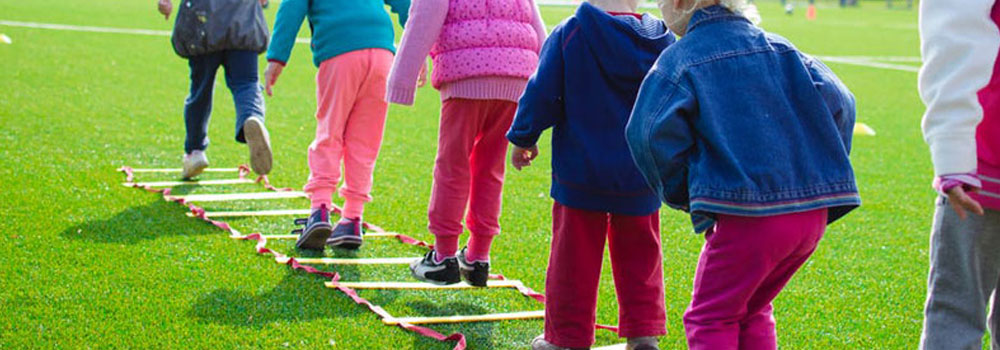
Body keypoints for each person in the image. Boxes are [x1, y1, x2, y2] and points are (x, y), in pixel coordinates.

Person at [627, 0, 859, 349]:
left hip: (748, 218)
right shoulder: (782, 47)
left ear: (680, 3)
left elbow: (645, 134)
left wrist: (683, 193)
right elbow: (842, 100)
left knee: (712, 316)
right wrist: (818, 170)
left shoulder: (680, 58)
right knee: (753, 307)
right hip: (811, 216)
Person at [504, 0, 673, 348]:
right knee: (642, 256)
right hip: (641, 172)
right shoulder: (664, 41)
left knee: (572, 260)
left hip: (580, 172)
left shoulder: (571, 33)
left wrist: (524, 136)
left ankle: (566, 338)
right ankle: (644, 334)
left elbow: (542, 93)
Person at [386, 0, 546, 286]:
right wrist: (544, 93)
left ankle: (444, 256)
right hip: (515, 81)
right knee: (491, 169)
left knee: (452, 165)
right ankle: (478, 257)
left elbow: (422, 20)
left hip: (464, 77)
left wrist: (401, 81)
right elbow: (536, 27)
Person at [263, 0, 410, 251]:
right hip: (383, 50)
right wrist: (415, 53)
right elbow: (407, 4)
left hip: (340, 50)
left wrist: (277, 58)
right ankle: (352, 219)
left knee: (330, 132)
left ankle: (319, 210)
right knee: (365, 141)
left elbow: (291, 8)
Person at [917, 0, 1000, 349]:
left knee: (955, 314)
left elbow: (952, 33)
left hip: (983, 159)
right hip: (981, 165)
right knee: (957, 311)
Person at [158, 0, 273, 179]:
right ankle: (252, 118)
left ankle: (195, 151)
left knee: (200, 90)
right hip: (243, 23)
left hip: (203, 25)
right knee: (246, 83)